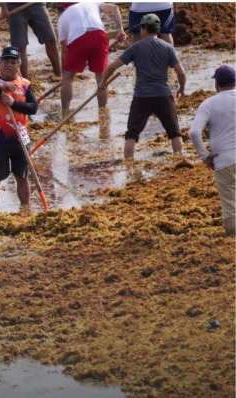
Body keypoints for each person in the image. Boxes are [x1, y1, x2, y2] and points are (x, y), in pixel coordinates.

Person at [98, 13, 186, 161]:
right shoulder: (167, 48)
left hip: (141, 97)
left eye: (141, 28)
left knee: (131, 134)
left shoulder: (136, 48)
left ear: (144, 29)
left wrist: (102, 83)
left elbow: (112, 67)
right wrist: (181, 89)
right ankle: (180, 162)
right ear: (158, 29)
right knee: (174, 133)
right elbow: (181, 73)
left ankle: (129, 166)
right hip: (163, 96)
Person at [0, 47, 38, 212]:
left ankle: (25, 209)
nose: (9, 65)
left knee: (22, 176)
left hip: (20, 138)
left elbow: (33, 108)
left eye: (13, 62)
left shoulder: (25, 85)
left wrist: (13, 103)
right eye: (5, 61)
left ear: (19, 65)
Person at [190, 65, 236, 236]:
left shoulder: (209, 104)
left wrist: (205, 156)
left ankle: (232, 234)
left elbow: (194, 132)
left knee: (230, 202)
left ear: (216, 84)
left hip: (224, 160)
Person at [57, 2, 125, 116]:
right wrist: (120, 30)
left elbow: (64, 50)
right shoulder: (92, 2)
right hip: (99, 36)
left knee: (68, 78)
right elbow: (114, 8)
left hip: (78, 40)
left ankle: (65, 113)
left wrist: (65, 73)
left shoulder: (62, 18)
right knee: (101, 78)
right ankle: (103, 114)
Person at [1, 2, 61, 78]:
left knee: (50, 39)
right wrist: (3, 6)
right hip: (14, 7)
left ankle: (59, 75)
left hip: (36, 4)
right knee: (20, 47)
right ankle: (25, 81)